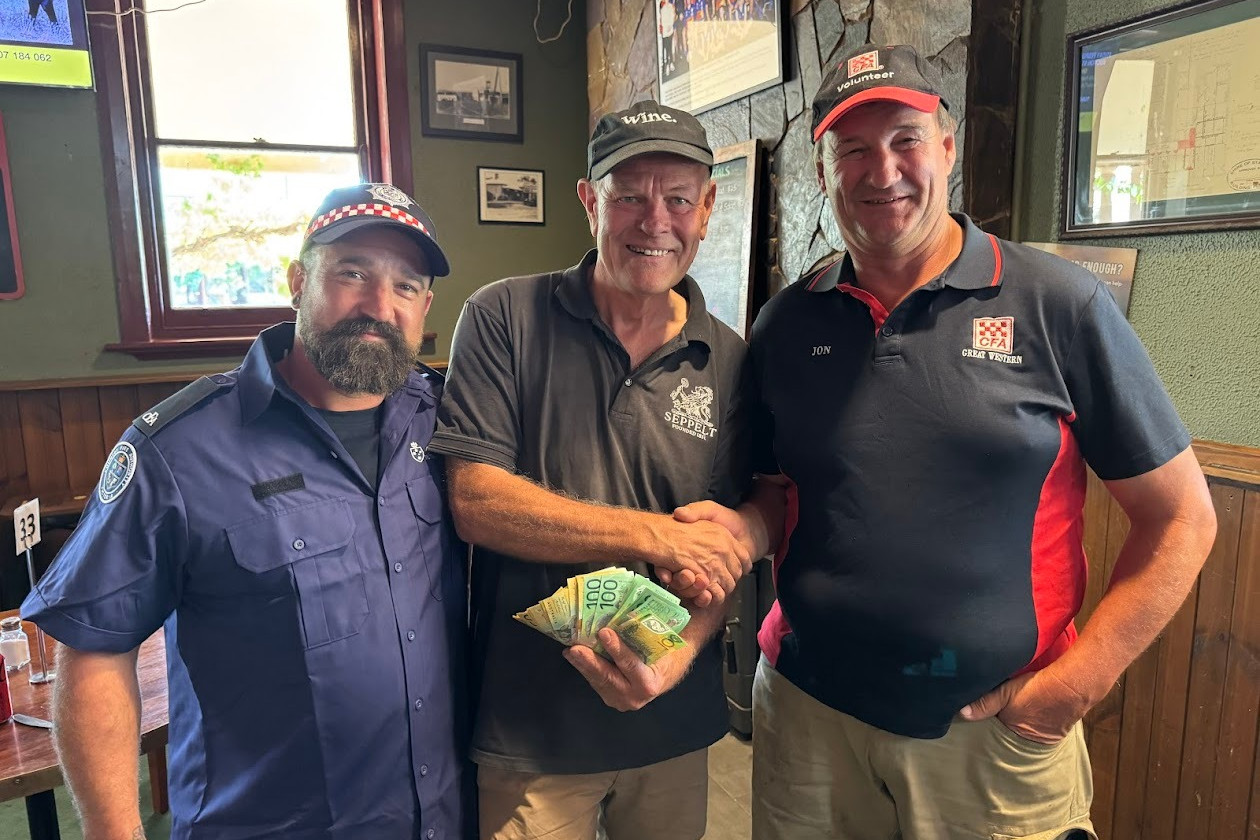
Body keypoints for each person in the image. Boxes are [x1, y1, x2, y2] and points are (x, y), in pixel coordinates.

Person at [683, 43, 1219, 840]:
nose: (882, 170)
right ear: (824, 173)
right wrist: (739, 529)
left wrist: (1073, 689)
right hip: (806, 720)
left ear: (948, 145)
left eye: (904, 140)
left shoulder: (1056, 304)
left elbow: (1183, 519)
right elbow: (772, 488)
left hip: (992, 738)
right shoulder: (786, 322)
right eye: (852, 150)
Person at [22, 183, 470, 840]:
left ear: (425, 308)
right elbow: (94, 649)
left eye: (406, 286)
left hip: (445, 819)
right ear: (297, 280)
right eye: (352, 273)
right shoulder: (177, 450)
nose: (378, 305)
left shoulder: (455, 425)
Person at [430, 100, 768, 840]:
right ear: (590, 202)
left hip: (671, 726)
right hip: (530, 729)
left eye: (679, 198)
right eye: (629, 195)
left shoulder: (733, 357)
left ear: (708, 209)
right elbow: (477, 503)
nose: (656, 221)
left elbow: (723, 547)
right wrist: (657, 538)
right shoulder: (502, 318)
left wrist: (674, 662)